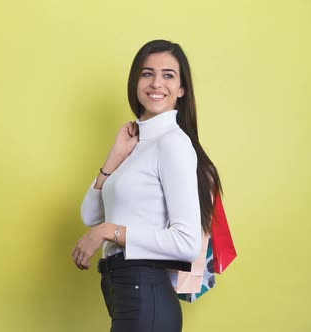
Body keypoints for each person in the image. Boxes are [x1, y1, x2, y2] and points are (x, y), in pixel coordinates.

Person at [72, 39, 223, 332]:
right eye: (147, 73)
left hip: (146, 296)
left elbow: (186, 242)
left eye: (168, 75)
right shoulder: (136, 145)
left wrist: (107, 232)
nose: (156, 83)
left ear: (181, 89)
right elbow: (90, 215)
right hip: (127, 295)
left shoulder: (172, 143)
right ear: (135, 82)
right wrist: (114, 158)